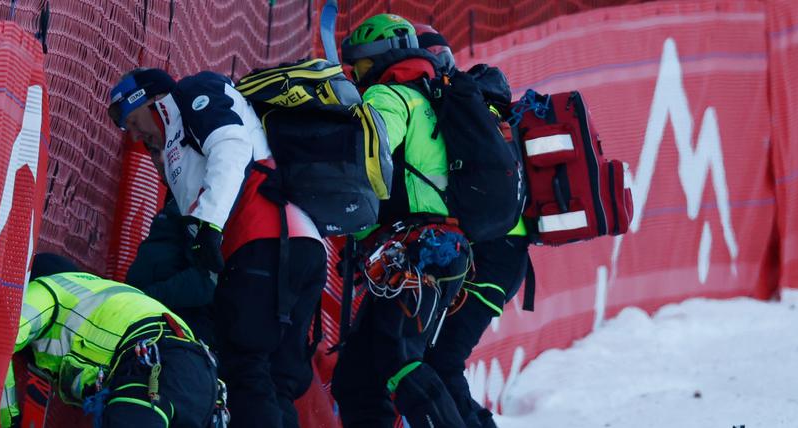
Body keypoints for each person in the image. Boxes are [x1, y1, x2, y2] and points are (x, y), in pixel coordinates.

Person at [107, 68, 327, 428]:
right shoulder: (176, 151)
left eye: (132, 121)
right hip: (300, 243)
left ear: (150, 99)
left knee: (245, 367)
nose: (134, 135)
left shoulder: (193, 92)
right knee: (276, 379)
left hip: (262, 239)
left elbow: (231, 146)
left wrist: (208, 224)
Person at [330, 14, 473, 427]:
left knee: (400, 360)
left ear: (379, 58)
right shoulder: (428, 95)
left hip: (417, 251)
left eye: (358, 64)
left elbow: (369, 154)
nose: (355, 74)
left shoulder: (388, 95)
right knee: (358, 378)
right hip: (439, 248)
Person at [411, 24, 533, 428]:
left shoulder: (458, 107)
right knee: (435, 359)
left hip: (492, 258)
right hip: (500, 255)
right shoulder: (478, 106)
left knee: (441, 361)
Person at [0, 253, 223, 428]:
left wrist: (10, 420)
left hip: (156, 372)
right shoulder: (97, 292)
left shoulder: (48, 291)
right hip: (197, 375)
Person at [124, 142, 217, 345]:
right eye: (153, 150)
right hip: (149, 322)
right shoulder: (178, 198)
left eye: (168, 149)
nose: (160, 159)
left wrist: (144, 299)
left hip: (176, 332)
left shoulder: (207, 204)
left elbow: (205, 280)